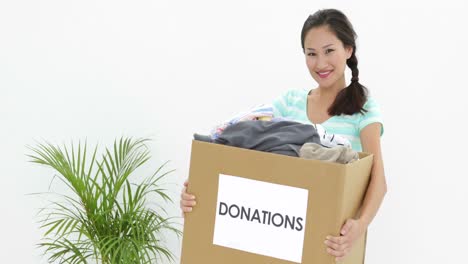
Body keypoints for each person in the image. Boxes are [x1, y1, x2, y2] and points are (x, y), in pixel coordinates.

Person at [180, 8, 387, 262]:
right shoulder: (289, 102)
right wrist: (203, 186)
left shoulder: (363, 109)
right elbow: (245, 144)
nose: (320, 63)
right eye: (311, 54)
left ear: (348, 50)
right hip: (278, 237)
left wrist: (360, 225)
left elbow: (378, 180)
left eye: (329, 51)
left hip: (328, 244)